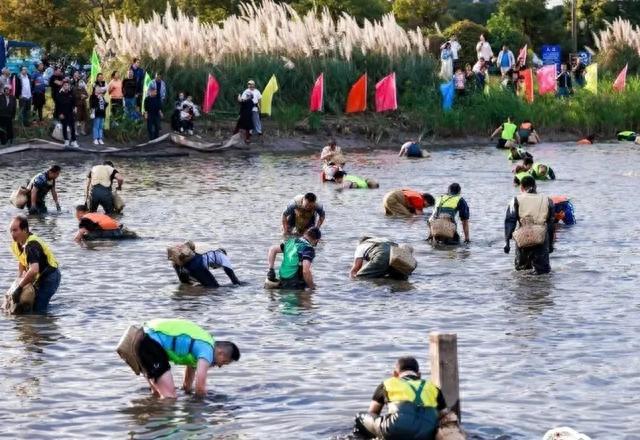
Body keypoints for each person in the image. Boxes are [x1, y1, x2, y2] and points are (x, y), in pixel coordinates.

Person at [126, 318, 240, 399]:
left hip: (140, 335)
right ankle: (163, 430)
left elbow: (190, 372)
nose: (219, 366)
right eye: (224, 362)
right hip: (150, 342)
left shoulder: (203, 342)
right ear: (221, 353)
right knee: (169, 398)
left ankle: (152, 421)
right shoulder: (208, 351)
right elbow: (200, 387)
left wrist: (187, 391)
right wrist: (203, 405)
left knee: (157, 392)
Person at [354, 356, 447, 440]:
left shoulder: (387, 384)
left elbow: (373, 412)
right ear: (419, 375)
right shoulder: (433, 388)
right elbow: (444, 415)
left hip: (394, 430)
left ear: (395, 374)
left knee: (360, 418)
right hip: (426, 433)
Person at [9, 215, 62, 312]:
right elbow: (22, 262)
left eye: (15, 230)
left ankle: (44, 323)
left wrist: (19, 288)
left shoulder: (32, 245)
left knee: (39, 309)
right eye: (11, 231)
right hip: (39, 277)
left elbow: (33, 270)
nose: (12, 234)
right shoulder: (17, 244)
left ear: (25, 230)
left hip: (50, 276)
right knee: (32, 304)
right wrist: (19, 280)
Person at [504, 175, 555, 274]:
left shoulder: (515, 200)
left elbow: (510, 221)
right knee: (543, 272)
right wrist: (550, 245)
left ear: (521, 187)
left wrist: (507, 242)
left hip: (523, 239)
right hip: (541, 239)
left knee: (522, 272)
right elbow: (550, 225)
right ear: (536, 186)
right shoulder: (548, 200)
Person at [172, 246, 242, 287]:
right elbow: (231, 275)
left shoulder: (211, 254)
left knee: (192, 284)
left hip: (187, 266)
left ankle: (189, 292)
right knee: (214, 287)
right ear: (224, 254)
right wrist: (238, 285)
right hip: (198, 266)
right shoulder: (224, 257)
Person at [55, 79, 79, 148]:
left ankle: (74, 141)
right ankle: (66, 140)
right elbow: (57, 106)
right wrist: (59, 114)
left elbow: (74, 103)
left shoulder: (71, 94)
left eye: (68, 85)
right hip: (63, 113)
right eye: (65, 85)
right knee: (64, 127)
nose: (66, 86)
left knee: (72, 127)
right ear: (63, 86)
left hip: (70, 113)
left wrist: (75, 108)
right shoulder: (59, 94)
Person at [90, 77, 108, 145]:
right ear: (95, 89)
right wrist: (92, 111)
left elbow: (104, 105)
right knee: (96, 126)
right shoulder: (93, 96)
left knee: (101, 127)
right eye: (97, 88)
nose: (99, 89)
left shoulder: (102, 96)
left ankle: (100, 138)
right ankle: (95, 138)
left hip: (102, 113)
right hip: (96, 113)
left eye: (100, 89)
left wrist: (104, 102)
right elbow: (92, 104)